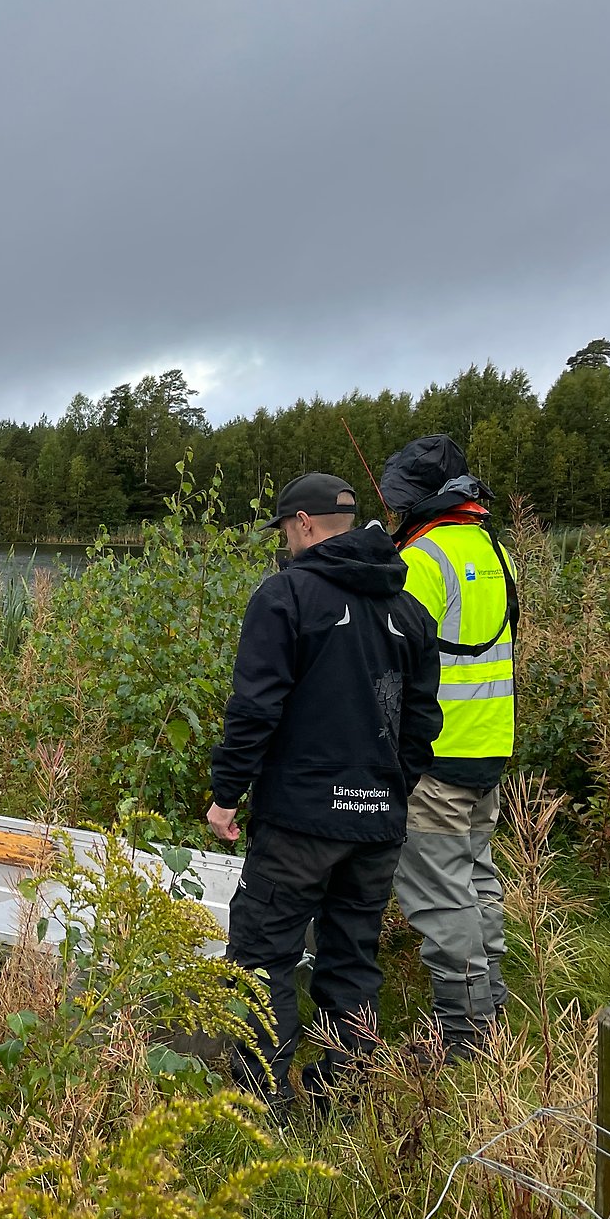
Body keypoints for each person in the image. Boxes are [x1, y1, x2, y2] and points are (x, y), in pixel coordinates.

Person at [207, 471, 442, 1112]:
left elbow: (255, 709)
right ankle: (344, 1098)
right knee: (351, 956)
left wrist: (226, 794)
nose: (285, 541)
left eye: (285, 529)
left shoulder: (285, 596)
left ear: (305, 523)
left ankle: (261, 1107)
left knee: (264, 956)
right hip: (376, 824)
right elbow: (424, 723)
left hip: (298, 823)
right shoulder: (409, 610)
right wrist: (391, 789)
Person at [381, 435, 518, 1057]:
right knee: (478, 882)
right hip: (488, 749)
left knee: (441, 898)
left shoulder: (422, 561)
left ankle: (465, 1039)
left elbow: (392, 653)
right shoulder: (495, 553)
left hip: (434, 758)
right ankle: (494, 1012)